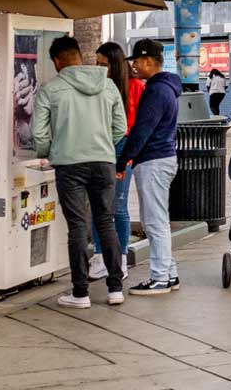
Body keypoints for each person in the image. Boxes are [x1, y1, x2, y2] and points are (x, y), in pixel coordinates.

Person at [31, 36, 126, 308]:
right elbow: (120, 128)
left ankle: (80, 293)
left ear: (57, 61)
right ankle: (115, 289)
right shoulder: (107, 85)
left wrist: (50, 151)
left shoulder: (52, 89)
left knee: (78, 227)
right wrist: (102, 143)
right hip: (104, 162)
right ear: (79, 57)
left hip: (69, 165)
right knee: (105, 222)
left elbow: (39, 134)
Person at [117, 39, 182, 297]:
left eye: (136, 60)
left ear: (148, 61)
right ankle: (169, 273)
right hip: (161, 159)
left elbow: (142, 130)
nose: (133, 65)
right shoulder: (166, 88)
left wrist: (123, 161)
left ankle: (160, 278)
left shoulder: (156, 91)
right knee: (156, 220)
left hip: (153, 160)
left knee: (154, 222)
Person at [89, 41, 143, 284]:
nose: (99, 68)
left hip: (123, 147)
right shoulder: (97, 86)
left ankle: (119, 258)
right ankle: (101, 256)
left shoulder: (134, 87)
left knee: (118, 205)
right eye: (96, 64)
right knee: (98, 205)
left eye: (104, 64)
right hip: (99, 147)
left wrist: (129, 156)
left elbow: (137, 124)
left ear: (115, 65)